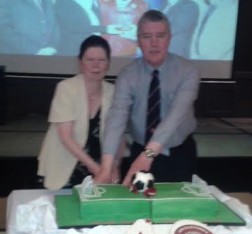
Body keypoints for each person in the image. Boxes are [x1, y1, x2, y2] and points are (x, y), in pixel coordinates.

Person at [95, 10, 200, 186]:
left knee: (179, 210)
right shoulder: (127, 76)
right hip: (140, 151)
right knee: (137, 208)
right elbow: (116, 120)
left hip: (179, 153)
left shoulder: (188, 72)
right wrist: (106, 167)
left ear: (169, 38)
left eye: (160, 36)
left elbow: (174, 119)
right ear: (138, 41)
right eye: (146, 36)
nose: (154, 43)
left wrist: (148, 155)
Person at [37, 35, 119, 190]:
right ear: (80, 63)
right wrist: (97, 170)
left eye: (101, 60)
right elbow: (66, 138)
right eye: (90, 60)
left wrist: (114, 165)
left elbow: (117, 135)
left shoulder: (112, 91)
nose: (96, 65)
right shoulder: (66, 88)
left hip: (101, 166)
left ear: (108, 64)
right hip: (66, 166)